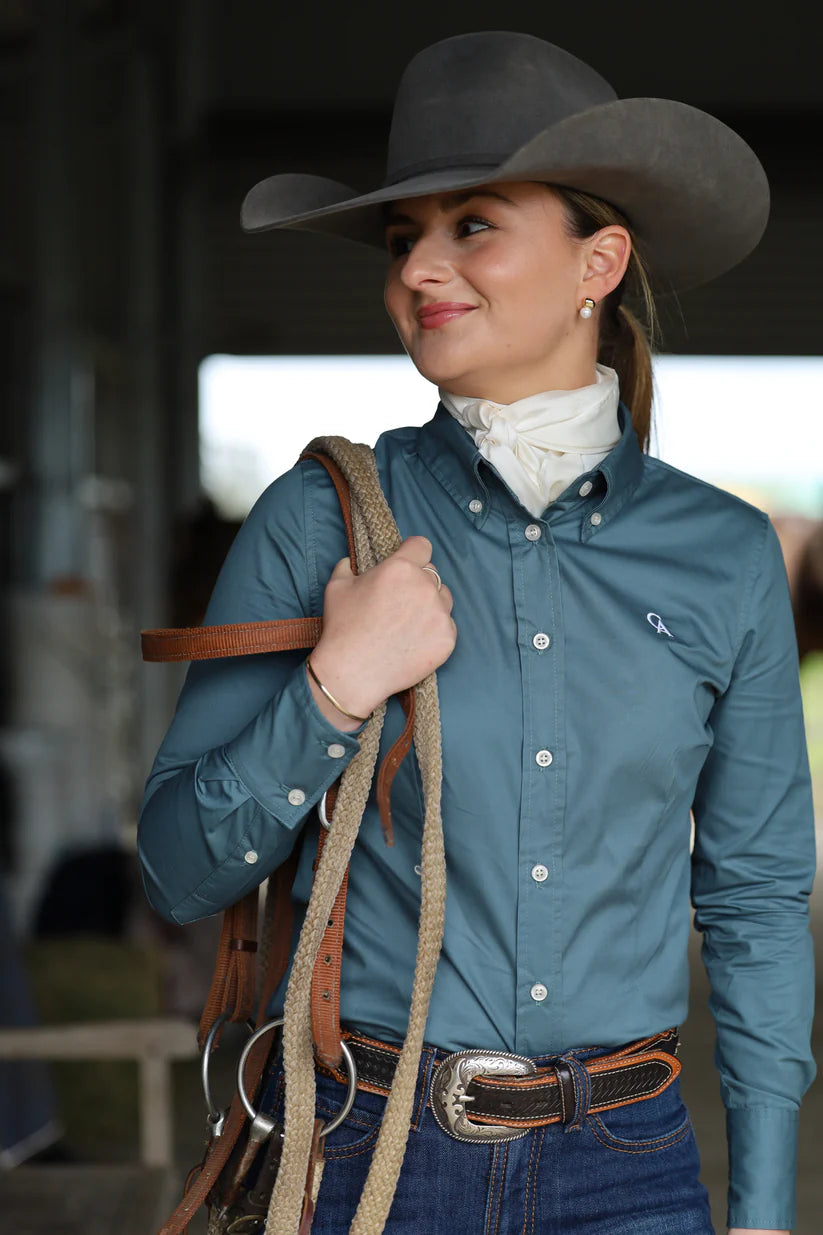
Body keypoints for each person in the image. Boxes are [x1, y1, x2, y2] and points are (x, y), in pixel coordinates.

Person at [136, 31, 816, 1235]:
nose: (421, 271)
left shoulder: (722, 553)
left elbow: (756, 898)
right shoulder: (320, 519)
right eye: (405, 242)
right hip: (369, 1160)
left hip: (631, 1168)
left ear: (596, 260)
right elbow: (181, 867)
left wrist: (762, 1207)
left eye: (474, 225)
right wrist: (336, 687)